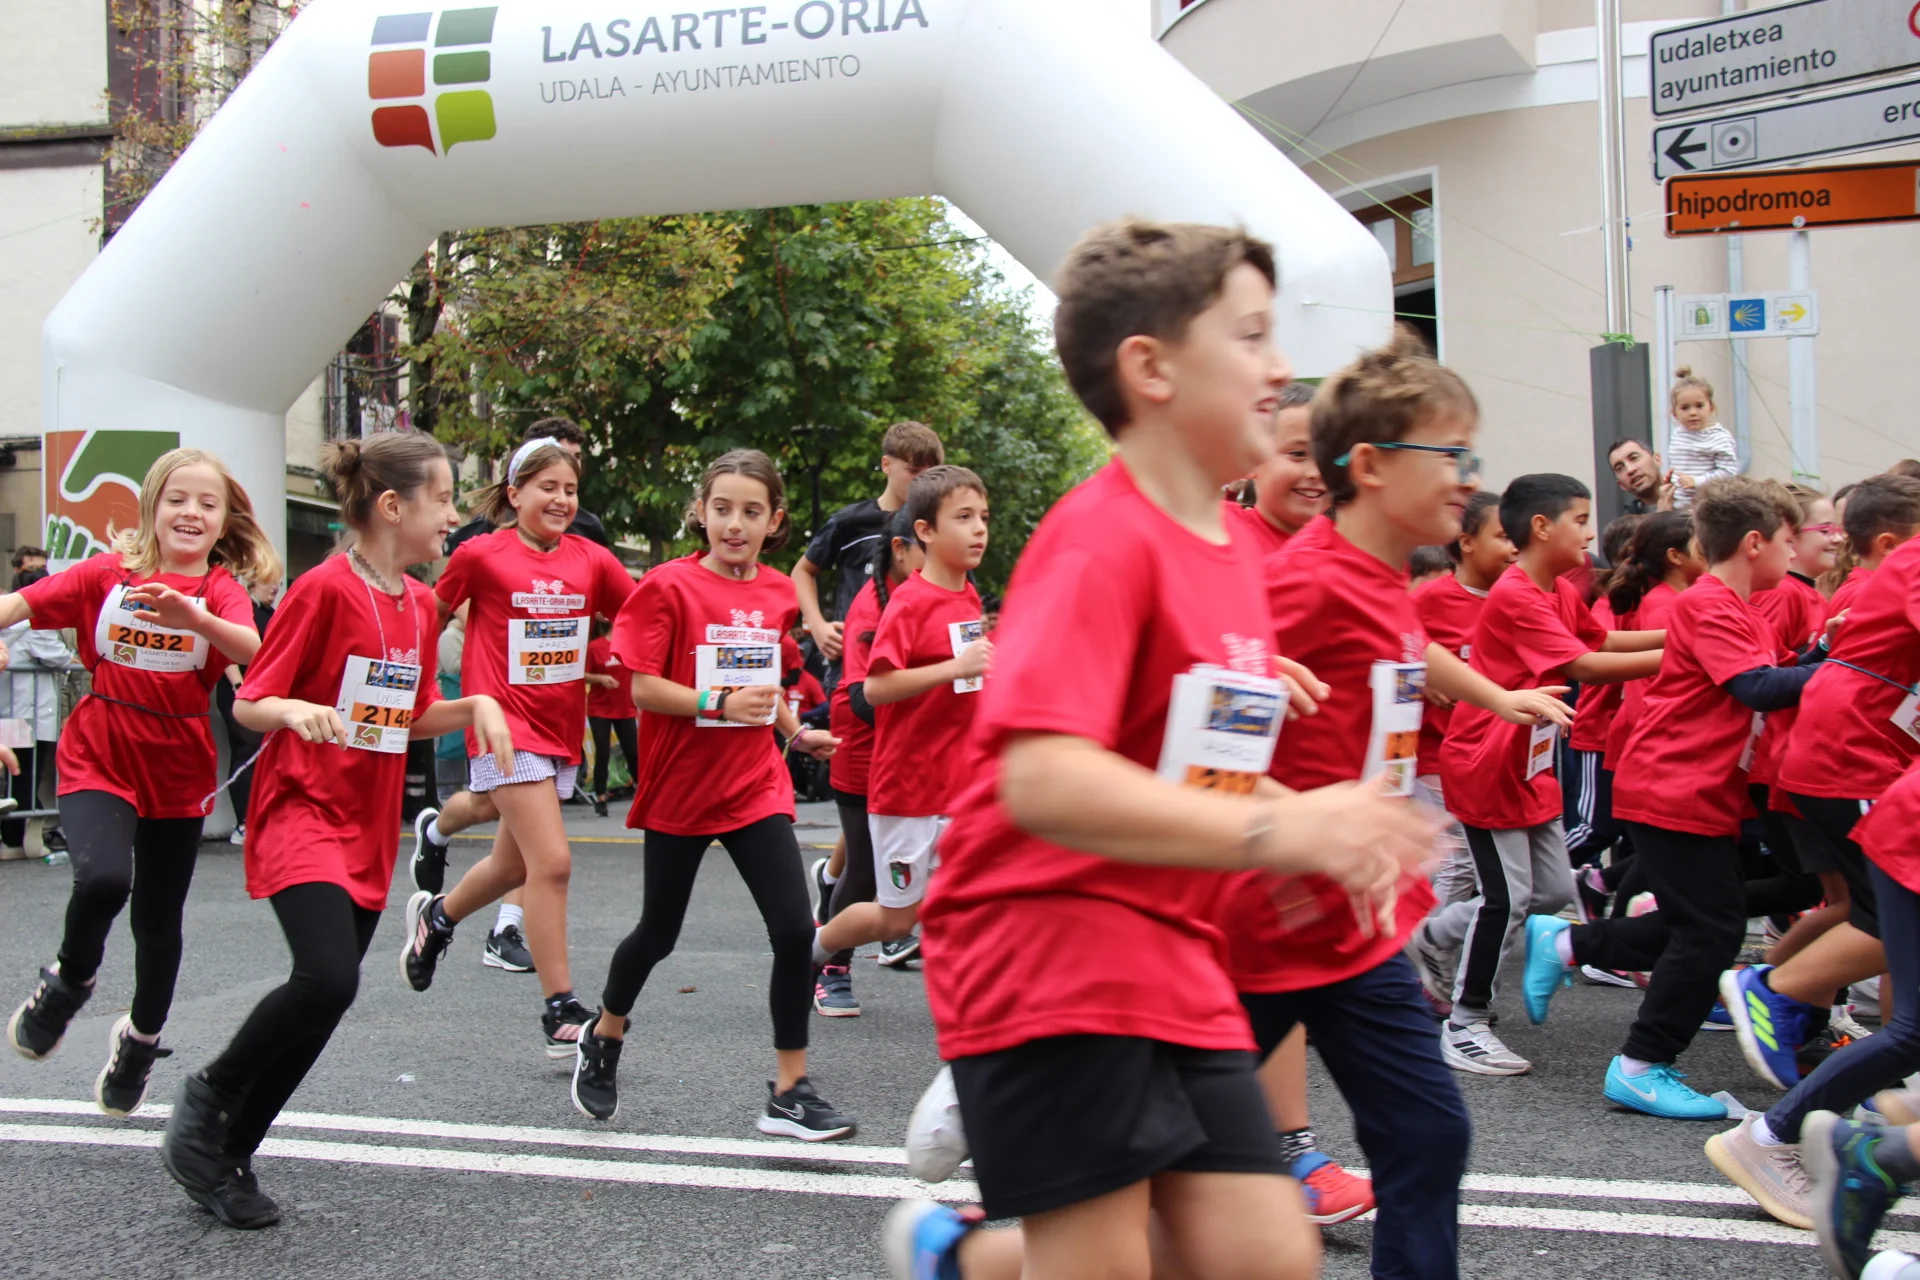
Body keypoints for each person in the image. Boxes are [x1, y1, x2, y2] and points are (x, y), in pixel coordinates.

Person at [882, 220, 1436, 1280]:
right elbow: (1044, 775)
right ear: (1152, 368)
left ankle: (960, 1258)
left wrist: (1322, 824)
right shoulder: (1099, 539)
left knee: (1267, 1258)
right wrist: (1282, 828)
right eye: (1251, 336)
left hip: (1174, 947)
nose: (1280, 367)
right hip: (1047, 945)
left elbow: (1194, 767)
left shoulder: (1229, 553)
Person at [1222, 332, 1577, 1275]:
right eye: (1448, 454)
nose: (1469, 478)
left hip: (1353, 928)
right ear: (1372, 466)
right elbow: (1201, 749)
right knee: (1164, 1168)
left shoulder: (1386, 581)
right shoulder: (1300, 584)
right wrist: (1304, 827)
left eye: (1470, 454)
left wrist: (1496, 700)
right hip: (1257, 930)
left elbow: (1413, 659)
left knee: (1428, 1134)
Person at [160, 432, 513, 1230]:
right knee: (327, 979)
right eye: (443, 499)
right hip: (302, 810)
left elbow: (408, 716)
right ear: (392, 506)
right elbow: (252, 700)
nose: (452, 516)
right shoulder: (322, 590)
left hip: (366, 824)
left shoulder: (418, 604)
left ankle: (229, 1153)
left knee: (326, 1000)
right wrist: (294, 709)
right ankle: (208, 1097)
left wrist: (478, 706)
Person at [1524, 477, 1832, 1121]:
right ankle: (1641, 1064)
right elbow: (1758, 688)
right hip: (1673, 783)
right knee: (1710, 932)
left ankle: (1571, 947)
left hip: (1698, 787)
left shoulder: (1738, 606)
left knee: (1706, 923)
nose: (1796, 550)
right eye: (1788, 539)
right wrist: (1847, 666)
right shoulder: (1709, 604)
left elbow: (1780, 673)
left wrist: (1827, 651)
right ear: (1754, 543)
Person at [569, 450, 843, 1137]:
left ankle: (790, 1089)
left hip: (754, 785)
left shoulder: (778, 593)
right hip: (682, 787)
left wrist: (795, 732)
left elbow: (766, 683)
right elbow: (642, 690)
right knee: (657, 934)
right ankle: (604, 1033)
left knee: (794, 932)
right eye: (722, 509)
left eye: (751, 511)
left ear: (774, 521)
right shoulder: (668, 586)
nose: (735, 524)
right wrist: (715, 701)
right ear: (701, 512)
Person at [2, 447, 270, 1116]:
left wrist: (196, 619)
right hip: (100, 750)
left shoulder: (220, 590)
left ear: (224, 520)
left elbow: (255, 649)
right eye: (177, 499)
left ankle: (141, 1040)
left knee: (158, 919)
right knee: (101, 881)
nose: (191, 512)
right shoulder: (106, 574)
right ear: (152, 507)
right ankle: (69, 980)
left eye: (207, 504)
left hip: (177, 768)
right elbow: (18, 604)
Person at [1707, 479, 1920, 1228]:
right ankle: (1776, 1001)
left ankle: (1882, 1120)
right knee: (1889, 971)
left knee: (1872, 937)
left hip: (1878, 767)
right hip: (1868, 766)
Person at [399, 436, 634, 1054]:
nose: (561, 500)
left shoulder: (592, 560)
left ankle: (437, 918)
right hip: (503, 726)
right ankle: (560, 1007)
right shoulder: (482, 555)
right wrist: (414, 684)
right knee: (551, 863)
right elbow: (428, 614)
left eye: (570, 489)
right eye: (547, 487)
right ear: (514, 493)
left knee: (512, 866)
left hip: (559, 730)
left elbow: (643, 614)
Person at [1422, 475, 1664, 1072]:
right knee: (1506, 899)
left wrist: (1684, 634)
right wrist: (1686, 653)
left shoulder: (1554, 588)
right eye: (1580, 520)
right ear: (1541, 526)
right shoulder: (1516, 593)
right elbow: (1583, 664)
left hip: (1529, 760)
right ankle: (1466, 1022)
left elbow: (1599, 638)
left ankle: (1432, 937)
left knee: (1553, 892)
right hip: (1485, 758)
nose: (1589, 533)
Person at [810, 466, 992, 972]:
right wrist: (955, 667)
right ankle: (811, 952)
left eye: (983, 516)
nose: (979, 528)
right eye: (964, 517)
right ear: (924, 531)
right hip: (908, 792)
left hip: (957, 786)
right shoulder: (909, 601)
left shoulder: (967, 595)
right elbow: (874, 688)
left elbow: (964, 685)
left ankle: (971, 1018)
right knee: (895, 921)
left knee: (964, 907)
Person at [812, 508, 922, 1018]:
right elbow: (863, 698)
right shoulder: (873, 604)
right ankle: (829, 964)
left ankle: (833, 890)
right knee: (866, 868)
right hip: (863, 743)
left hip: (917, 745)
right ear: (901, 548)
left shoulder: (949, 592)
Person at [1571, 511, 1704, 934]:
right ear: (1675, 556)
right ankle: (1560, 884)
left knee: (1643, 847)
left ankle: (1604, 904)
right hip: (1631, 738)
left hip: (1642, 739)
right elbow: (1602, 656)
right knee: (1602, 830)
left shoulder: (1669, 600)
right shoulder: (1664, 605)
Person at [792, 421, 945, 689]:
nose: (922, 481)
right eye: (913, 471)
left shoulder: (940, 528)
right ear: (886, 464)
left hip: (916, 665)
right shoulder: (850, 522)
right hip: (853, 668)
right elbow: (802, 571)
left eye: (930, 473)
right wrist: (817, 626)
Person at [1560, 514, 1645, 873]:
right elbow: (1596, 650)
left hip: (1628, 734)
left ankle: (1602, 888)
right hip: (1600, 732)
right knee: (1597, 827)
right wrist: (1678, 649)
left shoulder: (1645, 599)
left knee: (1636, 831)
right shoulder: (1613, 601)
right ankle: (1549, 872)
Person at [0, 569, 70, 857]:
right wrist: (70, 656)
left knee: (18, 774)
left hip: (12, 709)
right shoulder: (33, 623)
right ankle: (20, 836)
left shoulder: (9, 622)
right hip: (31, 712)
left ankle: (17, 840)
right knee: (27, 774)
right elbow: (57, 656)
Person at [215, 571, 281, 847]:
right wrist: (238, 684)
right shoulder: (242, 609)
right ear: (253, 582)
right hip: (239, 689)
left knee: (261, 753)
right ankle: (244, 822)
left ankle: (260, 819)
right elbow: (225, 650)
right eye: (270, 581)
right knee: (246, 750)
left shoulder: (271, 613)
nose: (275, 587)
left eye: (278, 583)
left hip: (262, 692)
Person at [1226, 379, 1324, 557]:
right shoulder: (1220, 532)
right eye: (1297, 454)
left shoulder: (1354, 548)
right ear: (1252, 459)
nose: (1315, 473)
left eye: (1326, 456)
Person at [585, 618, 639, 819]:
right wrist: (600, 678)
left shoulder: (630, 644)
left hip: (625, 707)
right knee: (603, 753)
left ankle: (641, 791)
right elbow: (581, 674)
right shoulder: (595, 647)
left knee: (633, 752)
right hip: (600, 708)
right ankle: (601, 796)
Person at [1665, 368, 1741, 510]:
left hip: (1709, 507)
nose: (1693, 413)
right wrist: (1672, 478)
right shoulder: (1677, 435)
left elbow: (1728, 473)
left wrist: (1696, 481)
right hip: (1679, 506)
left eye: (1699, 406)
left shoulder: (1719, 437)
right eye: (1685, 408)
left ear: (1711, 407)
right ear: (1674, 413)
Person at [1608, 438, 1673, 515]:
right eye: (1620, 468)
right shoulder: (1629, 522)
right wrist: (1663, 517)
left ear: (1656, 460)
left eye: (1634, 458)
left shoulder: (1685, 492)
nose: (1630, 470)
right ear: (1621, 485)